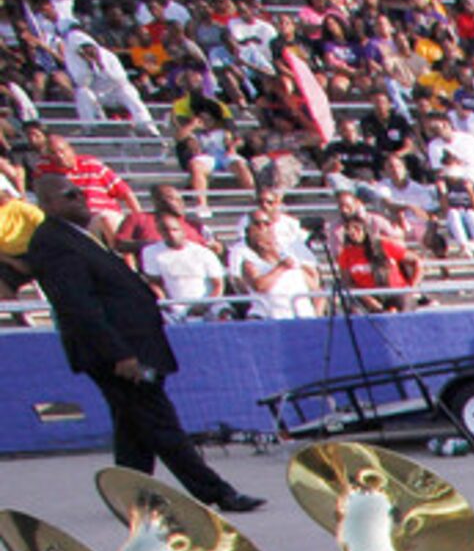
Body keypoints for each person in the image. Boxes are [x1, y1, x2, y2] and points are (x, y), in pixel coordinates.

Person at [0, 180, 261, 509]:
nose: (81, 198)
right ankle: (218, 493)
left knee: (133, 428)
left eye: (81, 192)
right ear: (48, 204)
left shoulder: (77, 237)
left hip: (132, 345)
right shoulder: (53, 242)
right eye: (69, 195)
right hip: (119, 353)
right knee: (160, 424)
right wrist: (119, 354)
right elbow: (78, 305)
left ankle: (131, 496)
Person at [137, 207, 228, 316]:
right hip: (175, 305)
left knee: (225, 313)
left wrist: (204, 305)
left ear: (183, 231)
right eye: (165, 230)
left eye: (175, 230)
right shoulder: (151, 252)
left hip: (209, 303)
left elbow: (218, 285)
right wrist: (166, 304)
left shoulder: (203, 252)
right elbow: (154, 283)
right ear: (160, 232)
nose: (171, 234)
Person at [233, 212, 320, 316]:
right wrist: (281, 268)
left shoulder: (293, 262)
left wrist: (317, 317)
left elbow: (317, 293)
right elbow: (260, 286)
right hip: (275, 322)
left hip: (304, 320)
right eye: (259, 227)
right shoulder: (251, 264)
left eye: (268, 226)